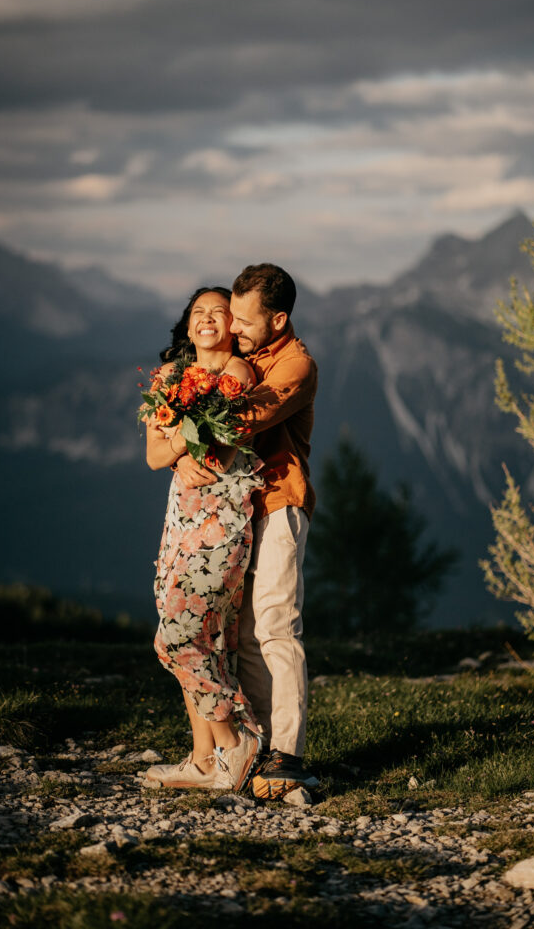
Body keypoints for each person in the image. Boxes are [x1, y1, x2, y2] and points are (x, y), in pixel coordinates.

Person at [175, 264, 317, 799]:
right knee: (244, 634)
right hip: (234, 510)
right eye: (227, 315)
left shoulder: (295, 366)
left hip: (278, 504)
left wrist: (180, 432)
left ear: (278, 318)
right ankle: (256, 745)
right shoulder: (245, 356)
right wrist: (176, 459)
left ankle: (289, 755)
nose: (231, 327)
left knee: (277, 625)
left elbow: (240, 419)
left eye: (242, 319)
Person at [143, 286, 264, 792]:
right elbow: (154, 455)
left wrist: (182, 445)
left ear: (232, 324)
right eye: (199, 313)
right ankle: (203, 760)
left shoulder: (238, 373)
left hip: (222, 517)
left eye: (220, 311)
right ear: (188, 326)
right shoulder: (169, 376)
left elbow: (220, 440)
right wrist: (178, 449)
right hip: (181, 519)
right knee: (205, 640)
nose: (209, 318)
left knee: (176, 638)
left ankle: (238, 743)